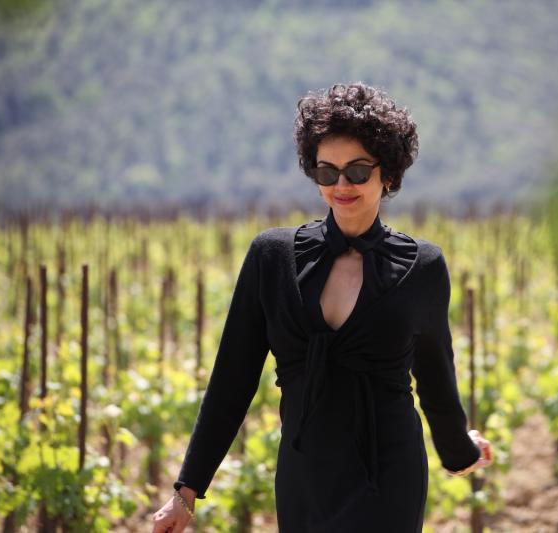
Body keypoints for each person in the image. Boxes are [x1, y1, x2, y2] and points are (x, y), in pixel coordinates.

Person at [151, 81, 493, 533]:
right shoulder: (270, 257)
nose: (341, 185)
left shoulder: (423, 266)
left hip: (388, 476)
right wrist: (186, 492)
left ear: (387, 174)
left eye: (357, 171)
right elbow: (232, 378)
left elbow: (434, 373)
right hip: (303, 474)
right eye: (326, 172)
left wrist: (459, 450)